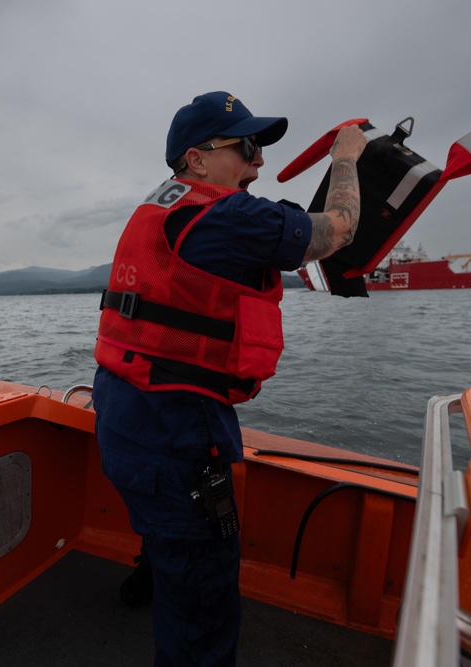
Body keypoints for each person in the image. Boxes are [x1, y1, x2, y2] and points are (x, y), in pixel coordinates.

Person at [92, 91, 366, 666]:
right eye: (247, 147)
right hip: (176, 427)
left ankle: (154, 574)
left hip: (122, 410)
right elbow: (340, 228)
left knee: (163, 529)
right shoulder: (229, 218)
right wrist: (346, 158)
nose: (259, 162)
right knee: (204, 597)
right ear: (197, 160)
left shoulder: (162, 208)